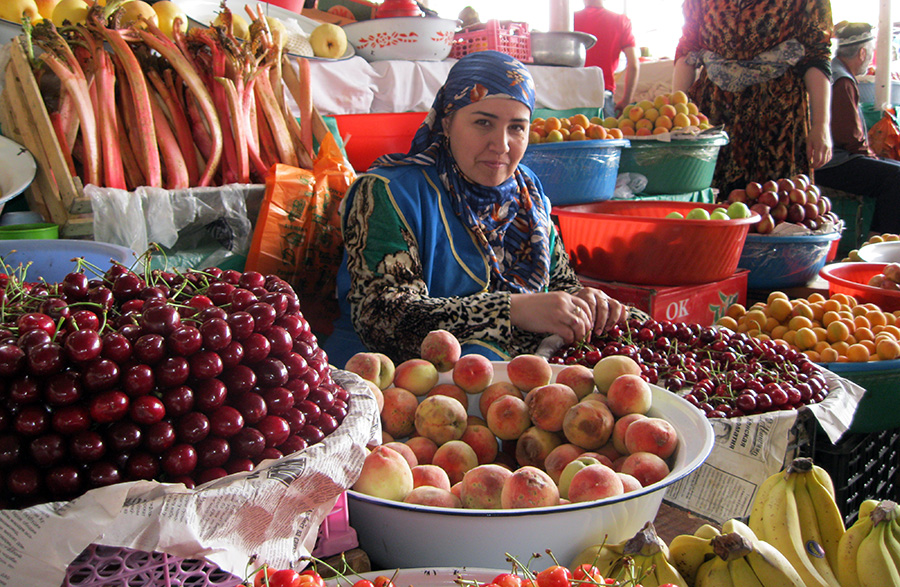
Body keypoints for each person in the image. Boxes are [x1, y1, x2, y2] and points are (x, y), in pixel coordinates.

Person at [323, 51, 628, 367]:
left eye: (517, 128)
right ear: (448, 121)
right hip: (389, 380)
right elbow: (382, 317)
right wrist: (513, 310)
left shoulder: (528, 193)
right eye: (483, 122)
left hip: (508, 380)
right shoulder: (389, 193)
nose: (502, 144)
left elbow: (561, 283)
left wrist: (583, 301)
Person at [671, 0, 834, 197]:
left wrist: (821, 125)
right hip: (715, 113)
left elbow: (817, 56)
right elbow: (687, 50)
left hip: (777, 120)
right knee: (712, 204)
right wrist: (676, 115)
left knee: (775, 204)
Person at [814, 22, 900, 235]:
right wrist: (872, 157)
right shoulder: (841, 79)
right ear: (862, 53)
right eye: (870, 53)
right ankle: (881, 240)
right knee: (896, 176)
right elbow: (849, 138)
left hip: (830, 158)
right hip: (830, 163)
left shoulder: (835, 71)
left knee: (894, 169)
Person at [573, 0, 640, 118]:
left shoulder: (570, 21)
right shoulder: (621, 21)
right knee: (605, 133)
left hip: (572, 95)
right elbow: (634, 65)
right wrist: (626, 100)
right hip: (602, 95)